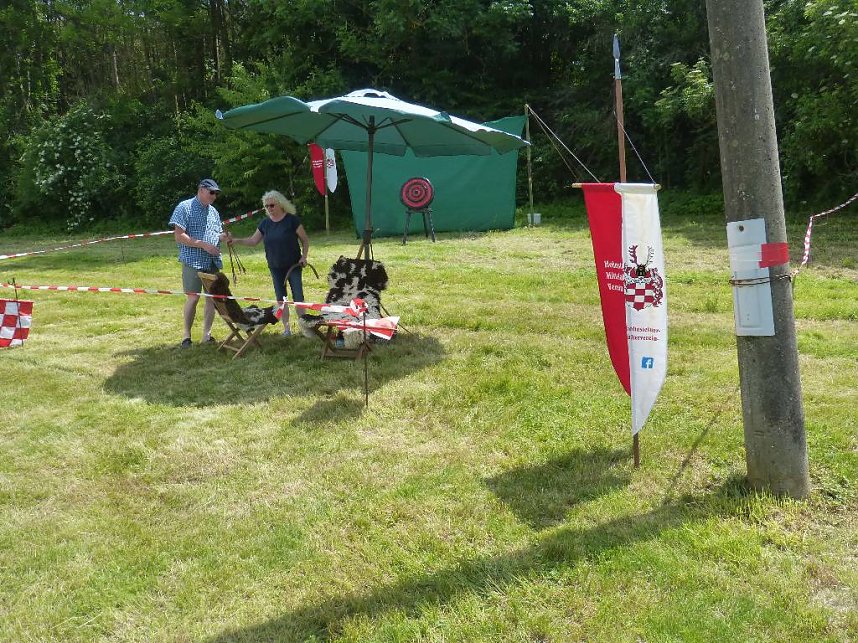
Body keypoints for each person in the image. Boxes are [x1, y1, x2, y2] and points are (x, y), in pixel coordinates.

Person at [226, 190, 310, 336]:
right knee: (281, 299)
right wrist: (237, 241)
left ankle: (305, 327)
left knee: (298, 296)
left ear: (280, 204)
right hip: (275, 267)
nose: (269, 209)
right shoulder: (265, 223)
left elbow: (305, 240)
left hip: (293, 265)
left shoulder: (292, 220)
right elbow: (253, 241)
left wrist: (304, 256)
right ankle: (287, 329)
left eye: (272, 205)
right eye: (266, 206)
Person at [168, 178, 229, 347]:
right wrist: (203, 244)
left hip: (212, 261)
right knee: (193, 298)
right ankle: (186, 336)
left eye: (216, 193)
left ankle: (206, 335)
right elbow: (179, 236)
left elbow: (217, 234)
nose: (214, 196)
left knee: (212, 299)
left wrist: (223, 237)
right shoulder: (184, 207)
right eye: (211, 192)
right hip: (192, 261)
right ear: (201, 190)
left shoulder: (214, 212)